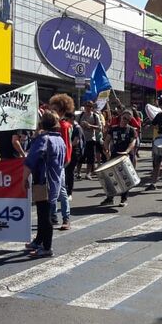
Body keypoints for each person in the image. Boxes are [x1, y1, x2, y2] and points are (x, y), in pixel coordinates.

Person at [24, 111, 66, 258]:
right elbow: (65, 160)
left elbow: (31, 160)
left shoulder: (44, 139)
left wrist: (24, 178)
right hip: (55, 180)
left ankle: (46, 247)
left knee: (44, 215)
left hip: (44, 181)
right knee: (44, 212)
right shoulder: (60, 140)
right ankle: (39, 241)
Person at [101, 111, 138, 207]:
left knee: (124, 178)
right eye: (124, 118)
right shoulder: (114, 129)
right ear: (121, 117)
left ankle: (124, 199)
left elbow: (132, 142)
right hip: (114, 155)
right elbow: (107, 140)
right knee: (111, 177)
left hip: (124, 156)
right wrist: (106, 149)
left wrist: (127, 151)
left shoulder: (131, 130)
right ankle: (110, 198)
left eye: (127, 119)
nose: (125, 120)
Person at [49, 93, 74, 228]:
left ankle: (66, 218)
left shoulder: (63, 126)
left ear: (63, 111)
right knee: (51, 189)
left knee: (61, 190)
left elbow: (64, 145)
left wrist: (63, 161)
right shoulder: (57, 124)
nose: (53, 111)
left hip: (59, 162)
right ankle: (53, 216)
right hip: (52, 162)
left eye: (55, 109)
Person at [78, 101, 102, 179]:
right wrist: (81, 126)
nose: (88, 108)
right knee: (80, 157)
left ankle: (88, 173)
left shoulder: (95, 116)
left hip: (91, 139)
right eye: (86, 106)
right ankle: (78, 173)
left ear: (92, 107)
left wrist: (90, 126)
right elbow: (75, 125)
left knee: (90, 157)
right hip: (81, 139)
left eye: (90, 106)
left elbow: (99, 128)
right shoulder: (80, 115)